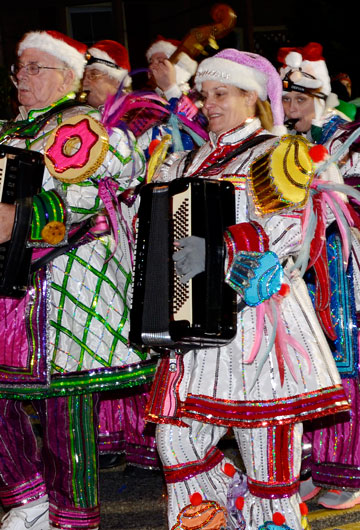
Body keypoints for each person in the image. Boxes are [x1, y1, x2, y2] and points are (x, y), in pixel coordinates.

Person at [0, 30, 152, 530]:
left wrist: (19, 219)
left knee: (67, 403)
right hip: (1, 286)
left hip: (70, 279)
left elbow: (101, 196)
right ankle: (27, 497)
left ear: (69, 76)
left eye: (35, 68)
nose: (23, 76)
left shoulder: (89, 127)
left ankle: (73, 514)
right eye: (20, 68)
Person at [147, 49, 350, 530]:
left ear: (252, 97)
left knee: (268, 460)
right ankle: (224, 514)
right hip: (192, 328)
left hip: (262, 329)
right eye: (204, 94)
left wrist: (217, 254)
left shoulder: (277, 154)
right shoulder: (181, 161)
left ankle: (263, 516)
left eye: (222, 94)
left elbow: (285, 236)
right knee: (175, 444)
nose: (209, 103)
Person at [279, 42, 360, 511]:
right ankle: (321, 466)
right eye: (286, 100)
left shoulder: (346, 139)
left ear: (320, 98)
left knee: (345, 366)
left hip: (342, 274)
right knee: (313, 367)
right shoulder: (286, 143)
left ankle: (349, 469)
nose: (291, 109)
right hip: (304, 274)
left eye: (300, 100)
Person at [82, 39, 132, 108]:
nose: (84, 83)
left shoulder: (139, 114)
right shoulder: (77, 114)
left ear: (118, 81)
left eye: (93, 75)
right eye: (83, 76)